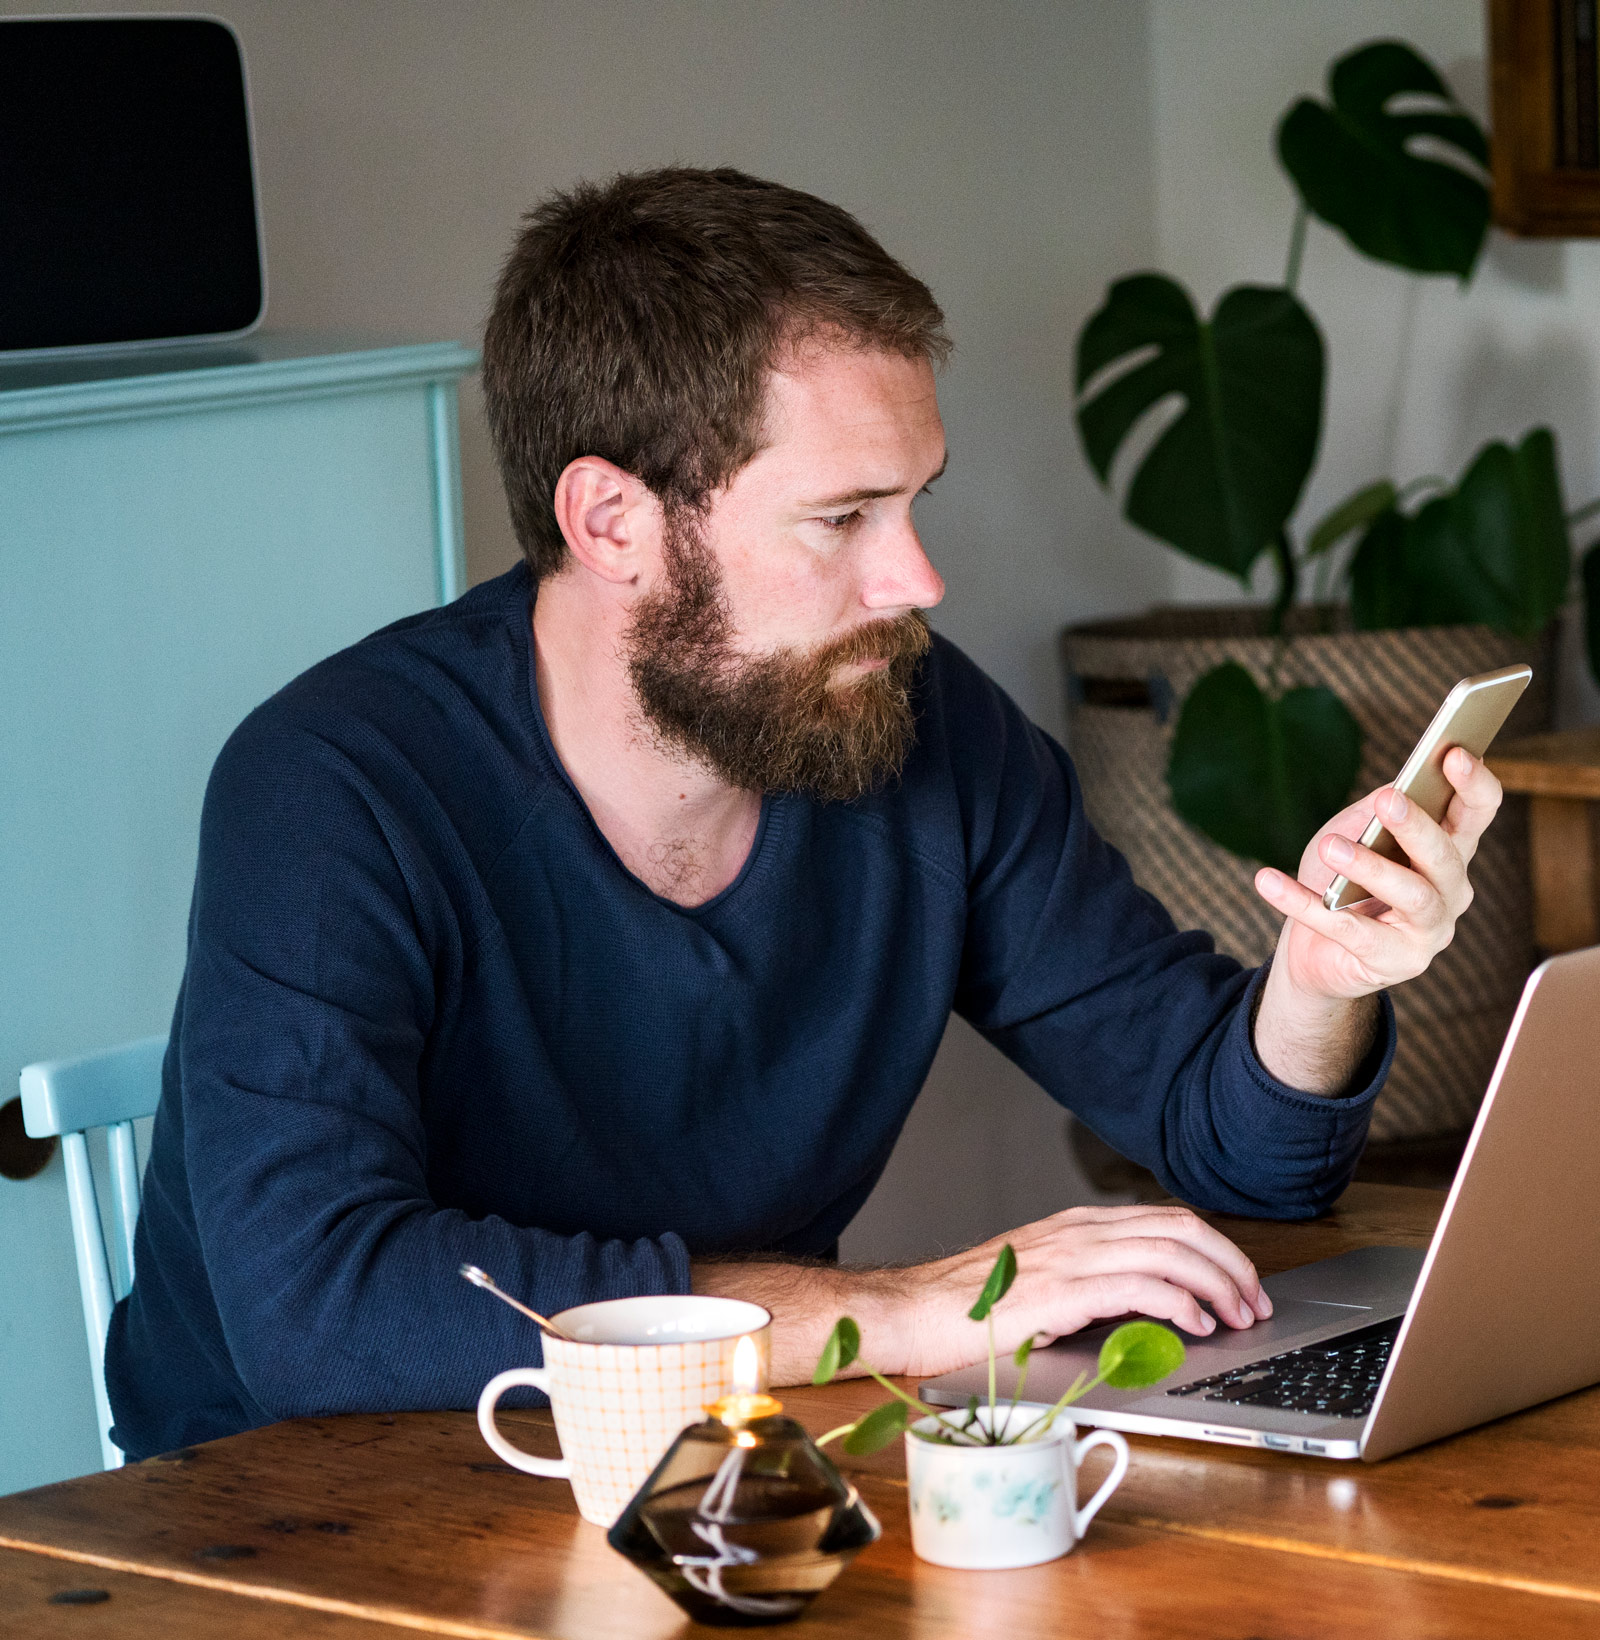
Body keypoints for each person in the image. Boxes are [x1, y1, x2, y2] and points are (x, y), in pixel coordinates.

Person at [102, 166, 1503, 1458]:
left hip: (719, 1457)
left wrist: (1320, 984)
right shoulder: (335, 785)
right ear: (612, 523)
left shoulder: (916, 725)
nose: (919, 581)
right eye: (844, 519)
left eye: (915, 502)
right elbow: (318, 1309)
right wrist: (897, 1312)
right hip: (304, 1505)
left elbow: (1243, 1152)